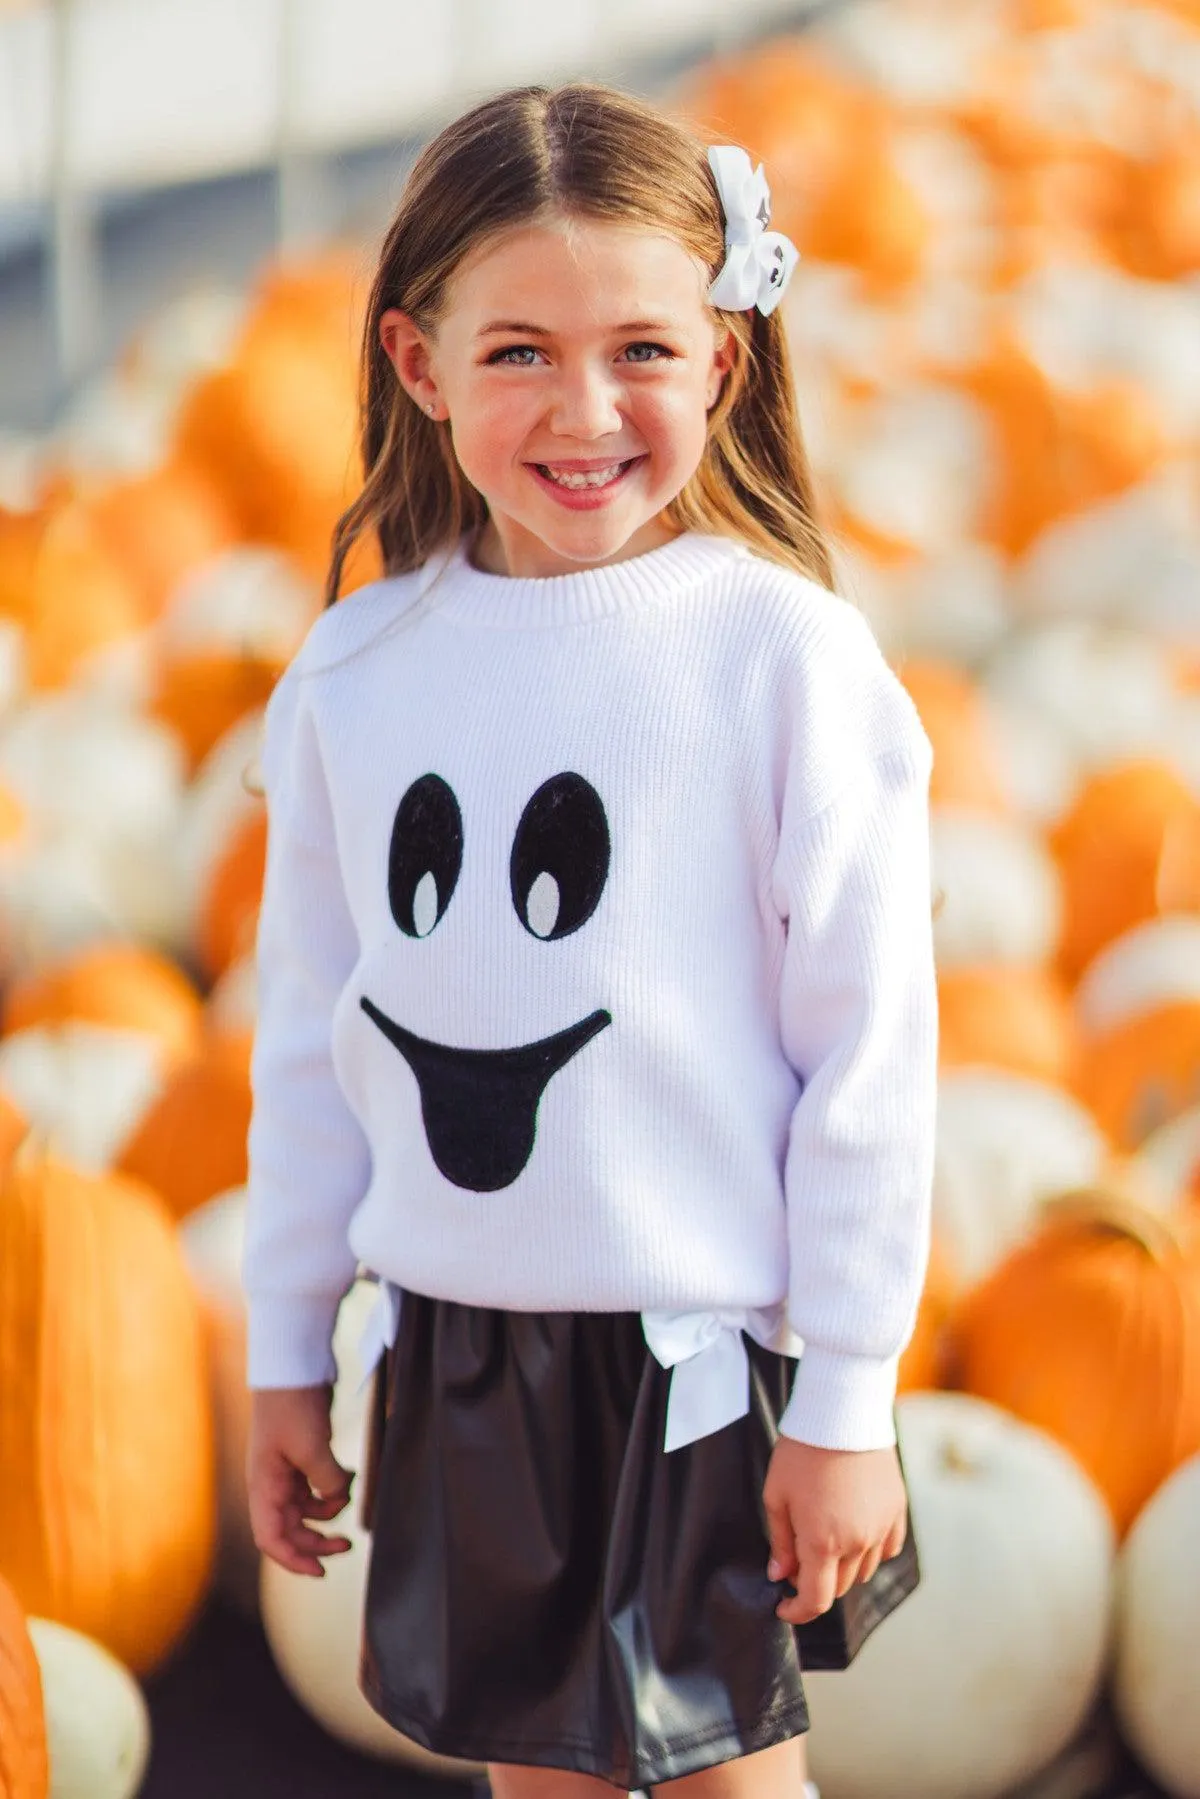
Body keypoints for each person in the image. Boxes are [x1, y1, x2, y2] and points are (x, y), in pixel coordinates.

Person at [242, 80, 937, 1799]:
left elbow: (871, 1051)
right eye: (517, 353)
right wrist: (284, 1349)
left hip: (698, 1341)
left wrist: (848, 1388)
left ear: (726, 357)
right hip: (461, 1344)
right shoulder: (355, 676)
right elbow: (313, 1042)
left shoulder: (785, 662)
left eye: (640, 347)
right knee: (534, 1779)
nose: (584, 407)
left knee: (728, 1781)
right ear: (417, 363)